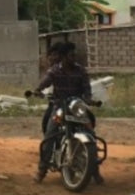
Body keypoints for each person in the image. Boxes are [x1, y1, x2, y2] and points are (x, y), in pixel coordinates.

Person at [32, 40, 102, 184]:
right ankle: (42, 170)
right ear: (63, 57)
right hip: (60, 107)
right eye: (70, 55)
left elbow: (87, 90)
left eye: (74, 55)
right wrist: (38, 90)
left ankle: (94, 170)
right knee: (50, 135)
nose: (73, 58)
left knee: (91, 134)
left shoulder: (81, 71)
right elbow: (45, 82)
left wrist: (88, 99)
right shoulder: (54, 71)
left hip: (77, 107)